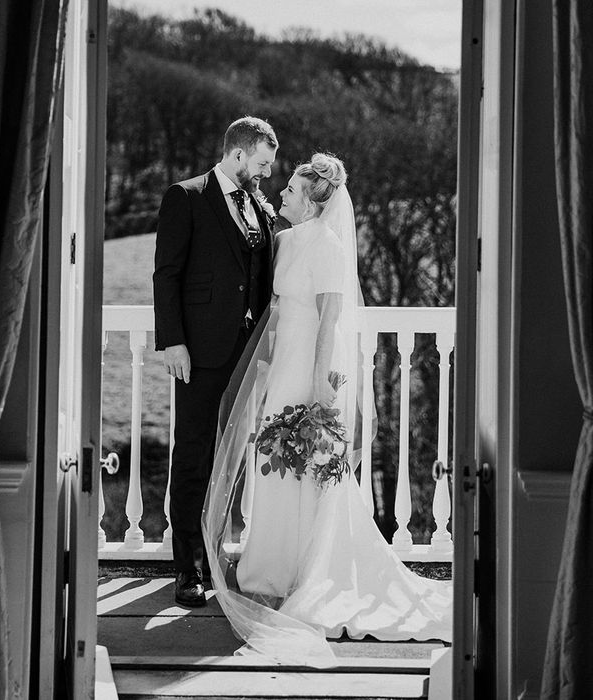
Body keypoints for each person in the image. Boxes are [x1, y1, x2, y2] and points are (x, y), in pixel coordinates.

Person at [202, 153, 453, 664]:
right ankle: (265, 569)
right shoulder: (286, 241)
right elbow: (274, 313)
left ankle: (306, 572)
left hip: (311, 367)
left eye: (291, 189)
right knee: (272, 464)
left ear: (315, 201)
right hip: (282, 364)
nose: (282, 195)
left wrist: (319, 391)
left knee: (308, 469)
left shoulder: (330, 248)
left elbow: (328, 324)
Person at [153, 117, 278, 607]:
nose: (266, 174)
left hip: (249, 353)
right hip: (200, 353)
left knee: (234, 459)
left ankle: (217, 553)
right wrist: (173, 342)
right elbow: (167, 274)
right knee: (194, 455)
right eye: (263, 163)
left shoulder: (257, 206)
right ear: (239, 154)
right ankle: (186, 570)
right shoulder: (186, 196)